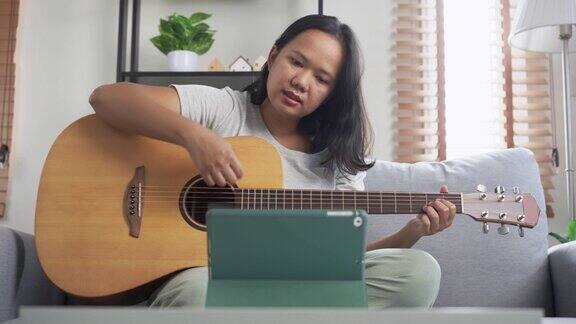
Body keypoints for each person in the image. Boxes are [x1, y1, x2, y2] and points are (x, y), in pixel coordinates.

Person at [89, 14, 456, 309]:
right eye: (296, 61)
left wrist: (413, 232)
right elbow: (107, 98)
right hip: (209, 283)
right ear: (274, 54)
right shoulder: (224, 109)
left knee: (419, 272)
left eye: (322, 78)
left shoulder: (338, 161)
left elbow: (343, 262)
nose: (301, 81)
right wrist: (195, 137)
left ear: (332, 94)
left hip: (292, 288)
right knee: (195, 295)